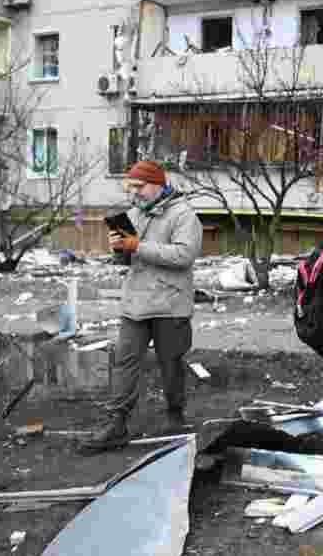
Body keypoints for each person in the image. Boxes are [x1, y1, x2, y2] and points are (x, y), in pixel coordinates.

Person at [82, 160, 203, 452]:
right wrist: (119, 249)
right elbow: (127, 259)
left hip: (170, 304)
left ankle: (175, 416)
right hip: (135, 303)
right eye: (131, 187)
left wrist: (137, 246)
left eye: (140, 186)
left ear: (158, 184)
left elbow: (184, 256)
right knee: (124, 362)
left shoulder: (184, 215)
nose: (134, 192)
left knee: (171, 364)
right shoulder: (134, 214)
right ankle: (116, 423)